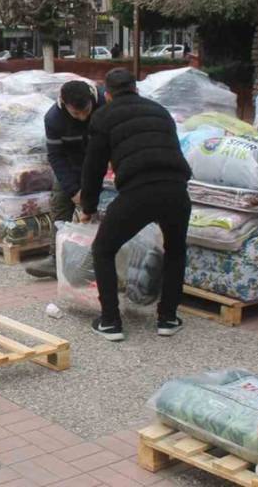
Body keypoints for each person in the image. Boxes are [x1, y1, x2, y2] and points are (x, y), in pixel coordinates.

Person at [78, 68, 192, 342]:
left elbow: (93, 167)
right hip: (176, 189)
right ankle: (168, 319)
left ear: (107, 94)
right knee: (175, 250)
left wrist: (88, 207)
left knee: (103, 249)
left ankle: (110, 322)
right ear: (136, 89)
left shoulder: (103, 116)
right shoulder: (159, 110)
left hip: (138, 191)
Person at [26, 80, 104, 278]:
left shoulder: (104, 103)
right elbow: (56, 156)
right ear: (64, 104)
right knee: (60, 200)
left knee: (106, 207)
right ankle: (56, 259)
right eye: (76, 114)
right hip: (73, 165)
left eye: (86, 111)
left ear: (91, 99)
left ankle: (104, 259)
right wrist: (73, 190)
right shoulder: (54, 119)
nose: (83, 117)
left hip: (104, 163)